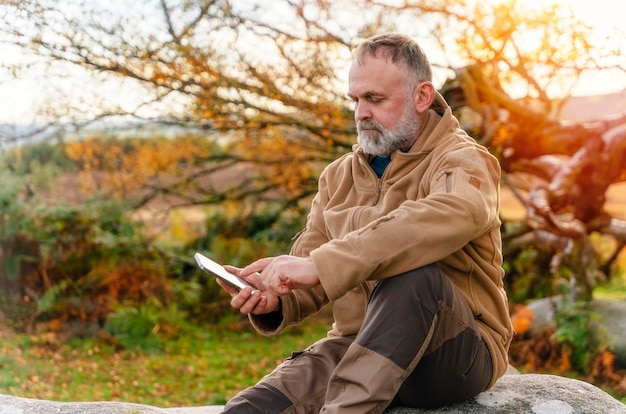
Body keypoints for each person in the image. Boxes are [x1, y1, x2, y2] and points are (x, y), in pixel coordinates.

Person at [216, 32, 513, 413]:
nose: (360, 113)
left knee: (412, 274)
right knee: (252, 408)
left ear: (422, 97)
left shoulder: (463, 160)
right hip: (358, 345)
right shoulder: (337, 176)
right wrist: (275, 296)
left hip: (453, 353)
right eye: (355, 100)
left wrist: (321, 265)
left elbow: (454, 212)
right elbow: (309, 270)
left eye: (374, 99)